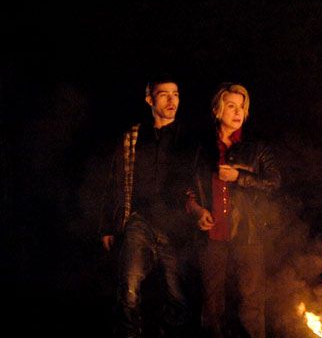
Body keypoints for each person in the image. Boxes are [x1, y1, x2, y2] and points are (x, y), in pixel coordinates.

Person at [99, 73, 195, 337]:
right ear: (149, 99)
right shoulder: (133, 136)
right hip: (139, 220)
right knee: (128, 286)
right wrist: (107, 225)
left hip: (176, 224)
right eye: (164, 94)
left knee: (178, 294)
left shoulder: (188, 137)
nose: (171, 100)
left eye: (175, 94)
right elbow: (115, 179)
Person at [185, 83, 281, 338]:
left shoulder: (256, 148)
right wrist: (196, 211)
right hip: (212, 236)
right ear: (217, 111)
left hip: (249, 236)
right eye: (231, 106)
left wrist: (239, 176)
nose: (238, 112)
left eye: (242, 107)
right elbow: (186, 189)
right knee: (211, 303)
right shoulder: (201, 148)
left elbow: (274, 182)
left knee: (251, 302)